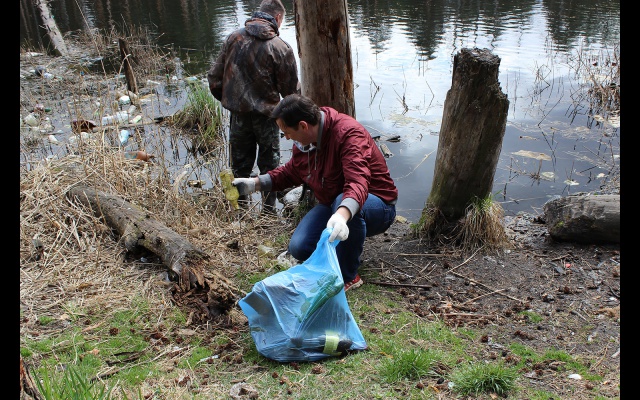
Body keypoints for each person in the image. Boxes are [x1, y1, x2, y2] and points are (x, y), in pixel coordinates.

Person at [232, 94, 398, 291]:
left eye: (287, 132)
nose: (286, 137)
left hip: (377, 206)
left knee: (342, 200)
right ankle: (335, 255)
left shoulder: (348, 134)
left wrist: (342, 215)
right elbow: (291, 172)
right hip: (334, 204)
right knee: (299, 247)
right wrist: (254, 184)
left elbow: (357, 182)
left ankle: (348, 276)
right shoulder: (305, 143)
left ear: (303, 126)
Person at [207, 0, 300, 212]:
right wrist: (290, 121)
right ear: (278, 18)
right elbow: (291, 94)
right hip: (268, 118)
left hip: (239, 116)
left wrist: (231, 102)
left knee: (240, 167)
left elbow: (214, 79)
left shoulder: (233, 38)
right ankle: (268, 213)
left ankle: (242, 212)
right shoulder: (280, 47)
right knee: (270, 168)